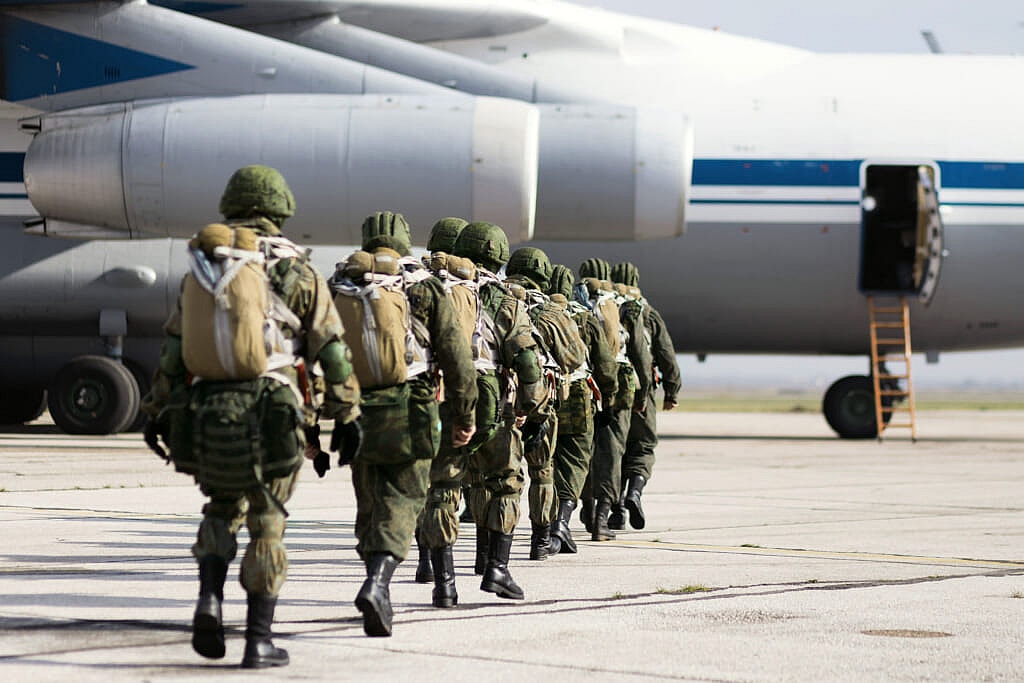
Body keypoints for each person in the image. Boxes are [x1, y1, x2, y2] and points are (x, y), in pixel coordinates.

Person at [142, 165, 360, 669]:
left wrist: (156, 411)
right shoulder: (297, 271)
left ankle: (209, 602)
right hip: (273, 414)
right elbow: (331, 348)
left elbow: (173, 351)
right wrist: (347, 414)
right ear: (281, 209)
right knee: (267, 521)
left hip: (208, 412)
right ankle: (258, 638)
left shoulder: (205, 266)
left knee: (221, 508)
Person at [330, 211, 477, 635]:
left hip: (356, 410)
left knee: (369, 503)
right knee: (403, 499)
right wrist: (464, 415)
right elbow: (457, 357)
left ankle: (379, 588)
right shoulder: (424, 286)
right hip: (410, 405)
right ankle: (378, 584)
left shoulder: (342, 282)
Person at [446, 221, 547, 600]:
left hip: (447, 401)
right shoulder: (507, 300)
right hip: (494, 404)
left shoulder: (441, 290)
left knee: (442, 486)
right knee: (505, 483)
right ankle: (497, 569)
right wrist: (528, 409)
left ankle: (441, 579)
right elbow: (528, 362)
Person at [503, 247, 583, 561]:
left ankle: (492, 550)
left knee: (497, 476)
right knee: (542, 472)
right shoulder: (551, 312)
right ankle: (540, 541)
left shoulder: (490, 299)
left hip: (501, 403)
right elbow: (574, 359)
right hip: (539, 405)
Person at [576, 257, 652, 541]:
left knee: (583, 449)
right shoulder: (626, 306)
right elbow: (641, 354)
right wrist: (643, 393)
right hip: (617, 386)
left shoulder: (576, 301)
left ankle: (584, 507)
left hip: (582, 383)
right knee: (611, 451)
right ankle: (602, 518)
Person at [545, 264, 617, 555]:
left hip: (544, 396)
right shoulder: (584, 317)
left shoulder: (535, 312)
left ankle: (544, 529)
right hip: (577, 397)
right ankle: (561, 523)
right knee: (575, 462)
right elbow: (605, 364)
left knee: (545, 464)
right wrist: (608, 399)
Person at [610, 262, 682, 530]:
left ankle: (616, 510)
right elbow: (666, 354)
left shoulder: (607, 309)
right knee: (642, 446)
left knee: (615, 448)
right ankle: (635, 492)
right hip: (645, 390)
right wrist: (672, 391)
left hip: (614, 390)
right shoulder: (648, 313)